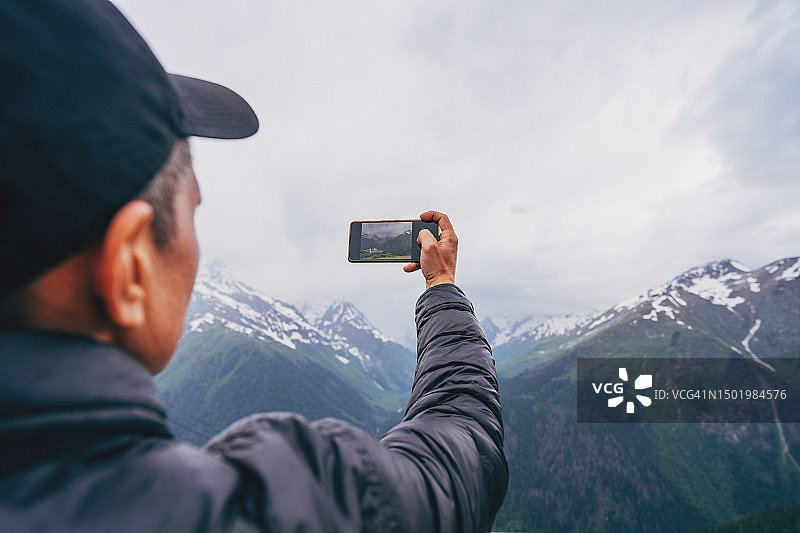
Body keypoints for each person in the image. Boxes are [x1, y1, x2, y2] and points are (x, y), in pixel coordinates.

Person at [0, 1, 508, 531]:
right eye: (193, 209)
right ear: (129, 267)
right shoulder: (277, 508)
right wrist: (442, 286)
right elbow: (458, 452)